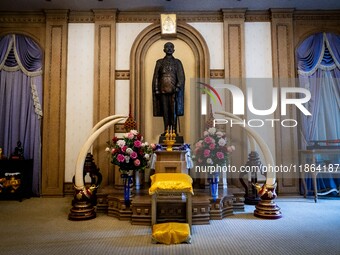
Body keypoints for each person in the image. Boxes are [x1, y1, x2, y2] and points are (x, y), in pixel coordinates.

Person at [152, 42, 185, 135]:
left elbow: (181, 76)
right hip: (162, 90)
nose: (169, 49)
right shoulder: (159, 62)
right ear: (164, 50)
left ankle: (173, 131)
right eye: (167, 47)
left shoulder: (177, 62)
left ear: (174, 50)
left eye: (171, 47)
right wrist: (156, 88)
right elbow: (156, 77)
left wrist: (178, 87)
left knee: (173, 111)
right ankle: (166, 130)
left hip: (174, 90)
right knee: (165, 111)